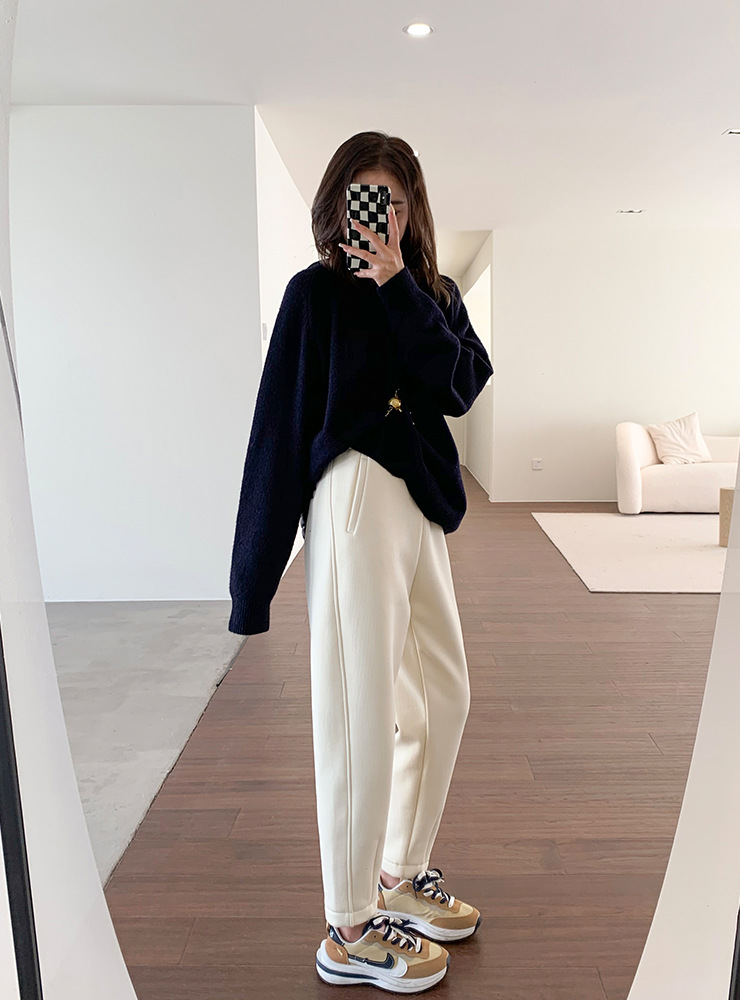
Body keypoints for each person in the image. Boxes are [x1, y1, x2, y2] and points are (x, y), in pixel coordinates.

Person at [228, 131, 493, 993]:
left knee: (443, 695)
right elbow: (277, 427)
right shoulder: (313, 295)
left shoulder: (433, 295)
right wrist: (252, 579)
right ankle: (347, 927)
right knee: (361, 709)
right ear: (337, 206)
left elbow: (458, 387)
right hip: (353, 494)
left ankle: (399, 875)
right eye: (364, 199)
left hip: (420, 500)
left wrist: (399, 288)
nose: (381, 216)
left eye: (396, 202)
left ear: (411, 212)